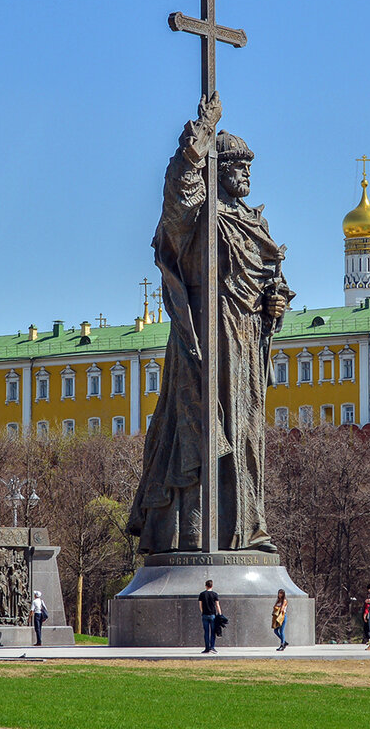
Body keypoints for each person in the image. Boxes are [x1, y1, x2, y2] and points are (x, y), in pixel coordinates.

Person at [127, 92, 293, 555]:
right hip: (205, 336)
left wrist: (272, 306)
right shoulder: (202, 214)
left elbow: (267, 285)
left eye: (249, 168)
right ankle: (194, 532)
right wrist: (200, 136)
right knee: (200, 430)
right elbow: (177, 196)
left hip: (244, 341)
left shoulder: (254, 226)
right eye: (238, 167)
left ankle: (247, 529)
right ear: (219, 170)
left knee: (246, 433)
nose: (246, 175)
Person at [199, 579, 221, 653]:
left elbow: (200, 605)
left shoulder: (202, 594)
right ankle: (212, 647)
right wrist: (220, 614)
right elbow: (217, 605)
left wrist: (202, 612)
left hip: (205, 615)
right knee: (213, 632)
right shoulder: (215, 594)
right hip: (212, 615)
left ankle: (207, 648)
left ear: (206, 586)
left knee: (206, 632)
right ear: (212, 586)